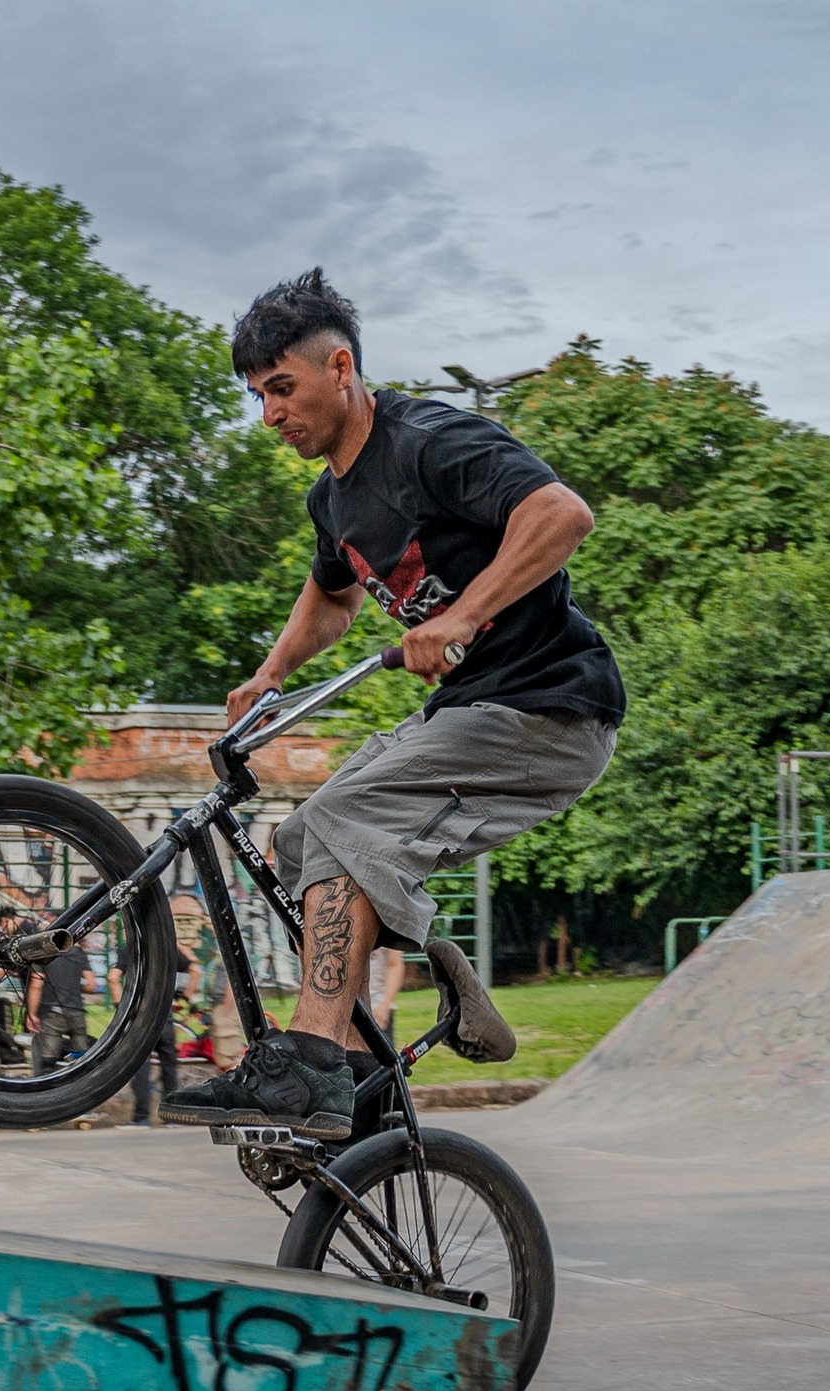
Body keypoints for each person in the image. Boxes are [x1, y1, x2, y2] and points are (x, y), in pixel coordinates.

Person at [164, 270, 624, 1140]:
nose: (270, 415)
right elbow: (332, 596)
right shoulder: (332, 498)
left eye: (282, 388)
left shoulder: (430, 442)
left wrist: (462, 615)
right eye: (260, 397)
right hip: (472, 710)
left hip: (550, 706)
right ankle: (363, 1061)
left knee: (349, 816)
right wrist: (271, 672)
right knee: (300, 840)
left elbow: (562, 515)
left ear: (340, 367)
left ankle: (310, 1061)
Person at [109, 940, 198, 1125]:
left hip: (141, 1015)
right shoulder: (166, 948)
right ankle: (172, 1117)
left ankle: (142, 1117)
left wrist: (120, 1005)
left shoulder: (132, 947)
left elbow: (113, 977)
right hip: (164, 1015)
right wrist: (184, 999)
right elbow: (196, 972)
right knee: (169, 1066)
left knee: (140, 1065)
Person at [26, 936, 95, 1067]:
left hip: (53, 1014)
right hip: (77, 1012)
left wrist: (32, 1015)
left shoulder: (44, 953)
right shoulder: (79, 953)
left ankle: (49, 1075)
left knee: (48, 1059)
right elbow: (91, 985)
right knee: (81, 1060)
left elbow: (36, 985)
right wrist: (73, 986)